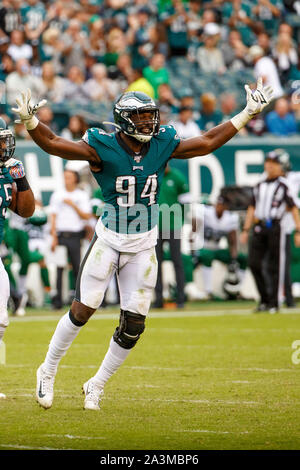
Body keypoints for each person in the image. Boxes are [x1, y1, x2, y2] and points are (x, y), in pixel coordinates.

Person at [11, 79, 273, 410]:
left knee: (134, 324)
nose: (150, 123)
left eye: (152, 116)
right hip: (109, 239)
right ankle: (47, 370)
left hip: (143, 243)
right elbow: (53, 143)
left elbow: (207, 141)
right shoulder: (102, 144)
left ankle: (97, 383)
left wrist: (247, 113)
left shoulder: (162, 142)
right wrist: (31, 123)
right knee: (82, 310)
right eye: (142, 117)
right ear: (124, 120)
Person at [0, 117, 35, 398]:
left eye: (4, 139)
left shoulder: (5, 172)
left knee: (1, 321)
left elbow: (25, 211)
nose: (4, 146)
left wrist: (20, 180)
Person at [240, 151, 300, 313]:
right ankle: (265, 299)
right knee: (254, 263)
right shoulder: (259, 184)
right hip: (259, 227)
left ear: (281, 166)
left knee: (276, 265)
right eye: (268, 162)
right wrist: (246, 229)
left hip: (275, 227)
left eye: (273, 163)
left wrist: (298, 231)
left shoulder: (284, 184)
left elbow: (293, 207)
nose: (270, 166)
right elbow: (252, 207)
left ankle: (274, 302)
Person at [49, 169, 92, 309]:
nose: (66, 179)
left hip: (75, 235)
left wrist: (73, 205)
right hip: (61, 235)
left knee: (76, 268)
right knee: (59, 268)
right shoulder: (57, 195)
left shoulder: (81, 196)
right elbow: (53, 216)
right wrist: (53, 236)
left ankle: (78, 299)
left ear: (75, 179)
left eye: (69, 177)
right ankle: (58, 301)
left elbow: (86, 216)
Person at [190, 196, 247, 299]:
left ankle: (238, 289)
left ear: (226, 207)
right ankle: (208, 292)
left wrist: (233, 259)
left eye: (222, 205)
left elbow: (232, 241)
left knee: (243, 258)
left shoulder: (230, 218)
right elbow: (193, 233)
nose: (219, 207)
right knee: (207, 255)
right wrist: (193, 252)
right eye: (218, 204)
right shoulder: (205, 212)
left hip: (216, 248)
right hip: (202, 247)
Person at [154, 164, 189, 308]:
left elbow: (185, 203)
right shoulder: (153, 176)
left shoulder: (177, 177)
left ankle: (181, 298)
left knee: (177, 261)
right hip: (155, 226)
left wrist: (180, 219)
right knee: (156, 264)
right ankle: (158, 299)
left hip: (173, 225)